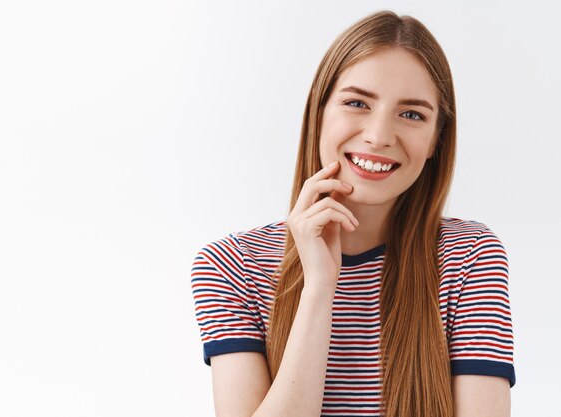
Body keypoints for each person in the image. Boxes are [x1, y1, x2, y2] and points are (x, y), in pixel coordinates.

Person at [190, 9, 515, 417]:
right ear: (319, 113)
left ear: (435, 141)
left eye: (412, 114)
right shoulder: (231, 266)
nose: (379, 136)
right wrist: (319, 290)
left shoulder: (468, 256)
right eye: (357, 102)